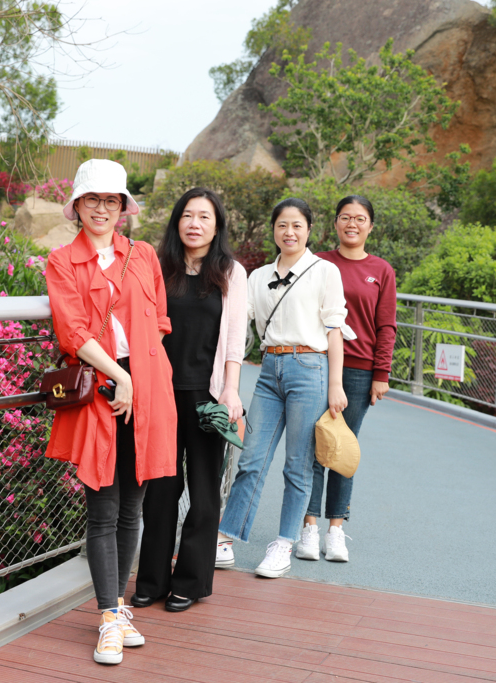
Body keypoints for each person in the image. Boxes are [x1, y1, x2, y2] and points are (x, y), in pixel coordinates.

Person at [44, 159, 177, 665]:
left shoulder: (143, 255)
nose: (102, 208)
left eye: (111, 200)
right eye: (92, 199)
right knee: (102, 509)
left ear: (123, 207)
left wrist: (139, 377)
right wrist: (119, 376)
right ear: (77, 205)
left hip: (147, 390)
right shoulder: (62, 261)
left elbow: (159, 320)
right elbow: (72, 330)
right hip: (102, 388)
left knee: (132, 509)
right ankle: (107, 618)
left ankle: (119, 611)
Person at [215, 197, 354, 578]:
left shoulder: (324, 271)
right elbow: (236, 324)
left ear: (309, 230)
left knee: (298, 465)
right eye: (282, 225)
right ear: (273, 230)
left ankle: (283, 544)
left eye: (296, 225)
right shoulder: (257, 276)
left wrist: (336, 384)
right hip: (269, 368)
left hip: (310, 368)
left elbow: (334, 329)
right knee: (251, 459)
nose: (289, 232)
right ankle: (225, 538)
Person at [131, 187, 247, 612]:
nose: (194, 224)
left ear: (217, 227)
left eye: (204, 217)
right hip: (161, 392)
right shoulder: (158, 268)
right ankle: (152, 580)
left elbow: (234, 339)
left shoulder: (231, 273)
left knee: (204, 490)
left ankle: (192, 581)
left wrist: (231, 390)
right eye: (187, 215)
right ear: (176, 222)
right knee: (161, 489)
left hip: (207, 395)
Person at [295, 195, 397, 563]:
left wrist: (381, 374)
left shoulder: (381, 270)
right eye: (345, 217)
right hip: (316, 363)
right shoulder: (318, 262)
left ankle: (335, 529)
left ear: (371, 226)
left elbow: (386, 326)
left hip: (358, 371)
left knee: (341, 447)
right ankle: (309, 527)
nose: (351, 224)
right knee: (312, 447)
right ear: (335, 222)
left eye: (359, 218)